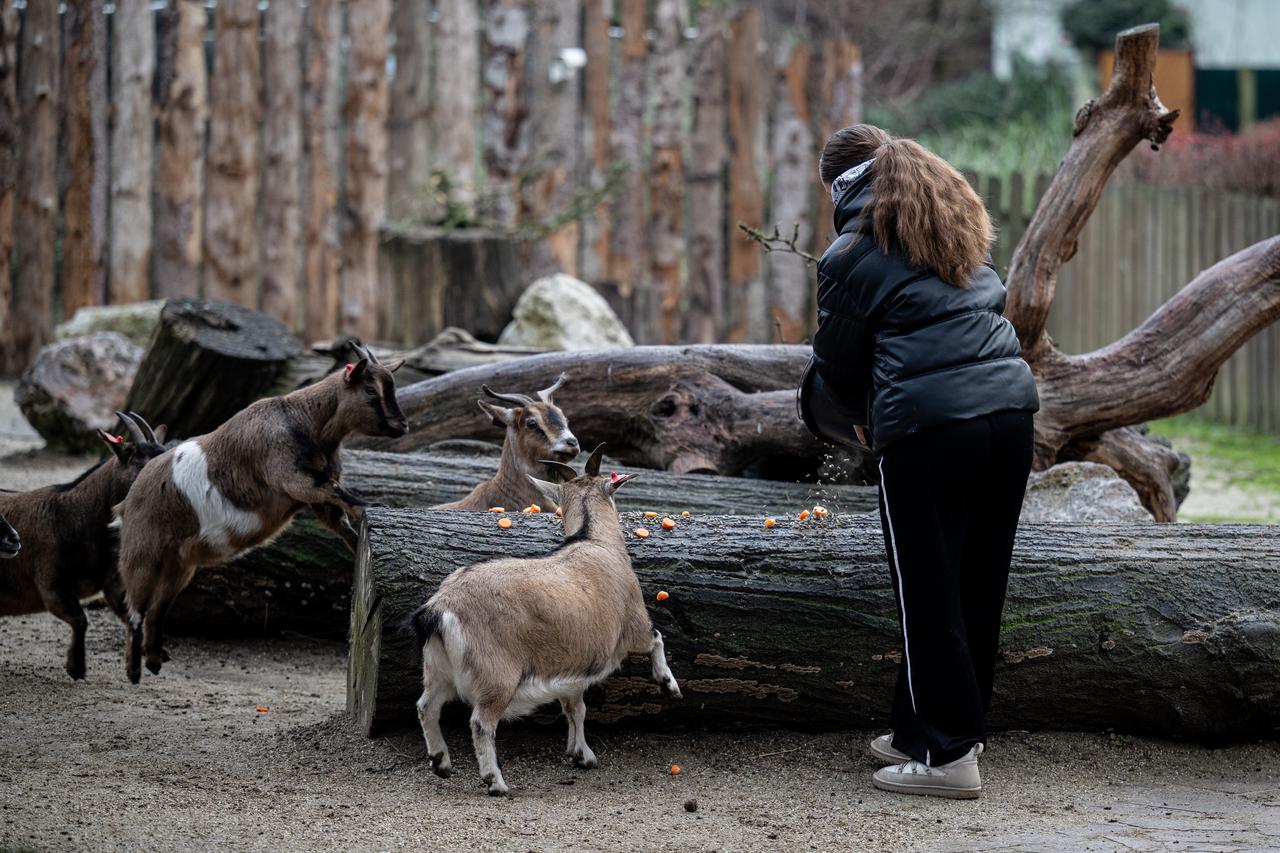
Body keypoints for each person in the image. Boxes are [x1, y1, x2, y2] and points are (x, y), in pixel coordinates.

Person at [798, 124, 1040, 799]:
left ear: (840, 187)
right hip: (1010, 418)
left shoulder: (850, 254)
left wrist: (846, 413)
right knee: (976, 584)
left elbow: (837, 367)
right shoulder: (954, 229)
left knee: (926, 593)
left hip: (930, 431)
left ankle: (948, 754)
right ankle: (927, 730)